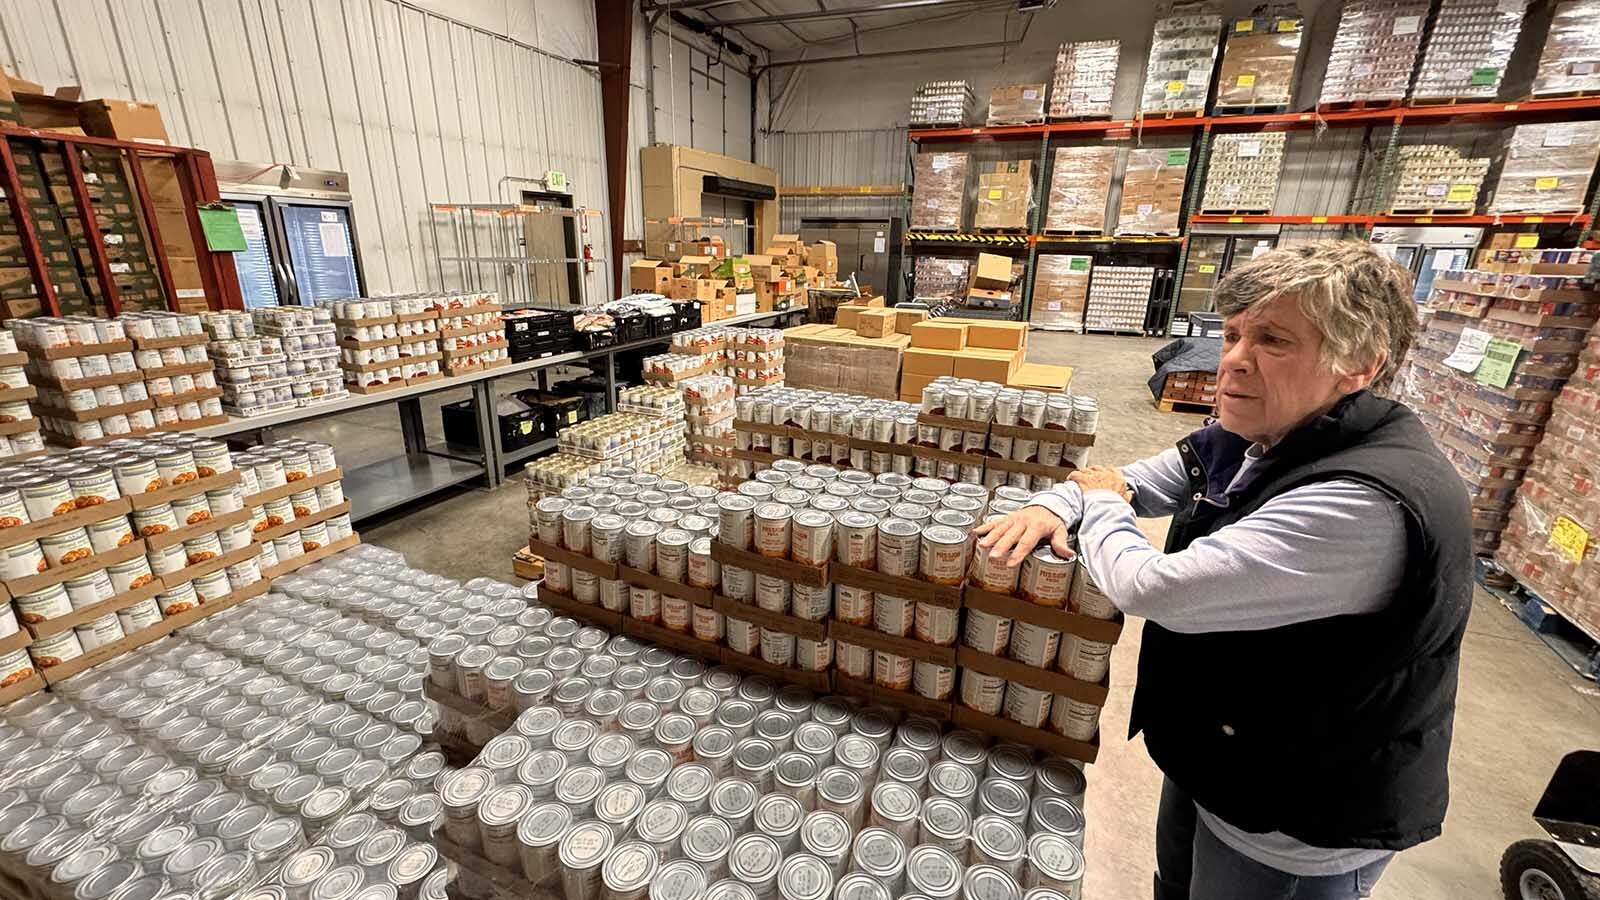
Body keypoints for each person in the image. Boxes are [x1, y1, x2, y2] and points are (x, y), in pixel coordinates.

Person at [975, 241, 1473, 900]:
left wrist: (1094, 504)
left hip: (1301, 813)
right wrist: (1054, 502)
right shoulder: (1267, 433)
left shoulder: (1364, 502)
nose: (1233, 360)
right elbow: (1135, 481)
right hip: (1231, 758)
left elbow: (1148, 584)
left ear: (1358, 362)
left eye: (1273, 340)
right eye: (1233, 334)